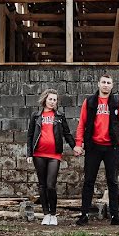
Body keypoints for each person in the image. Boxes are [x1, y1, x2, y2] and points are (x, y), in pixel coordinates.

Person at [74, 72, 119, 226]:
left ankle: (114, 217)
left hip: (112, 147)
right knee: (88, 181)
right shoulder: (89, 101)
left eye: (108, 83)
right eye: (103, 82)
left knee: (113, 182)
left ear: (112, 86)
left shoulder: (118, 102)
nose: (105, 85)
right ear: (98, 84)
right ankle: (84, 215)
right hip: (93, 147)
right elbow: (81, 124)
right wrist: (79, 143)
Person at [26, 88, 75, 225]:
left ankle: (53, 214)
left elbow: (67, 133)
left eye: (55, 99)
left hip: (54, 155)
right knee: (42, 185)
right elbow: (30, 136)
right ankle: (46, 214)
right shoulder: (36, 116)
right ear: (45, 99)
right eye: (50, 99)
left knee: (50, 185)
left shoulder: (59, 116)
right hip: (38, 154)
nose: (52, 102)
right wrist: (29, 153)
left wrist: (74, 146)